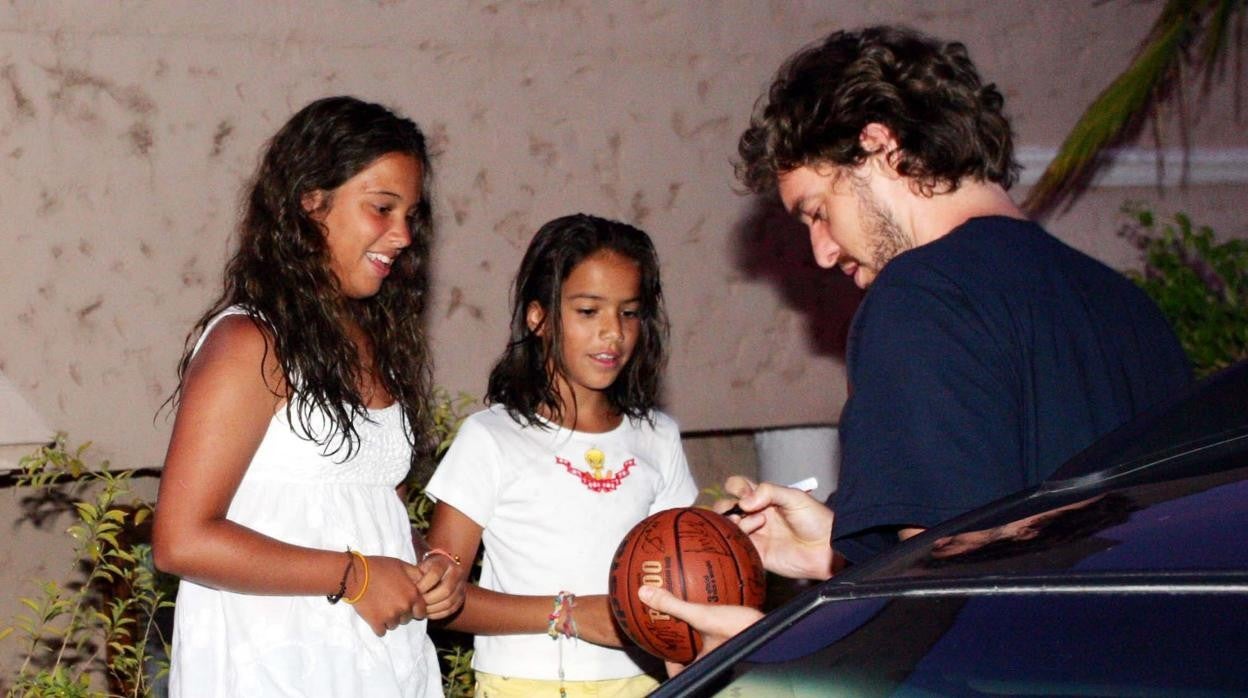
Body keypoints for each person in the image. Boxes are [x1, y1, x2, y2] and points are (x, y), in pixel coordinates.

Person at [640, 24, 1192, 667]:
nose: (821, 251)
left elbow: (948, 608)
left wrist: (765, 659)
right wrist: (837, 547)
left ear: (879, 146)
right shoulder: (1127, 306)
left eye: (817, 210)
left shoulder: (919, 296)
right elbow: (1042, 539)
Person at [151, 96, 460, 697]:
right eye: (381, 208)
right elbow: (181, 540)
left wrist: (429, 566)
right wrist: (355, 576)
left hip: (377, 662)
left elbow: (367, 507)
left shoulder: (374, 342)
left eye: (410, 215)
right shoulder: (251, 341)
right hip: (274, 661)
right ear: (311, 202)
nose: (401, 235)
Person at [424, 213, 698, 697]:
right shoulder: (491, 438)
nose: (613, 333)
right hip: (526, 685)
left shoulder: (658, 437)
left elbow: (680, 574)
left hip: (650, 682)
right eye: (589, 311)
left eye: (629, 312)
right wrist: (568, 614)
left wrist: (730, 537)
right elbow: (443, 598)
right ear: (539, 317)